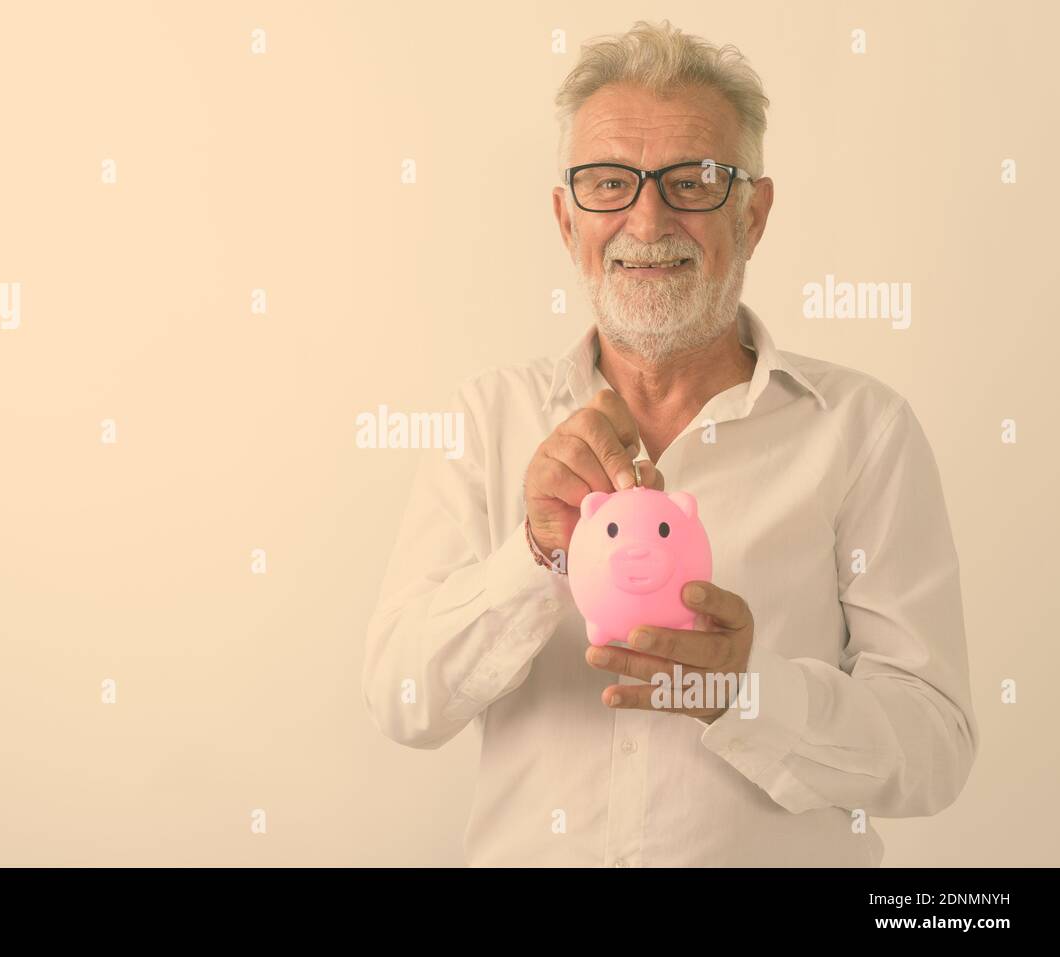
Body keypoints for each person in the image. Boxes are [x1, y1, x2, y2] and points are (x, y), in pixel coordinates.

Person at [362, 20, 977, 866]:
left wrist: (746, 692)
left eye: (694, 181)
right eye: (609, 183)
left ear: (753, 213)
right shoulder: (488, 420)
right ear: (566, 218)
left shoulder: (863, 431)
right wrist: (535, 553)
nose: (648, 220)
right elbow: (402, 699)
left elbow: (934, 747)